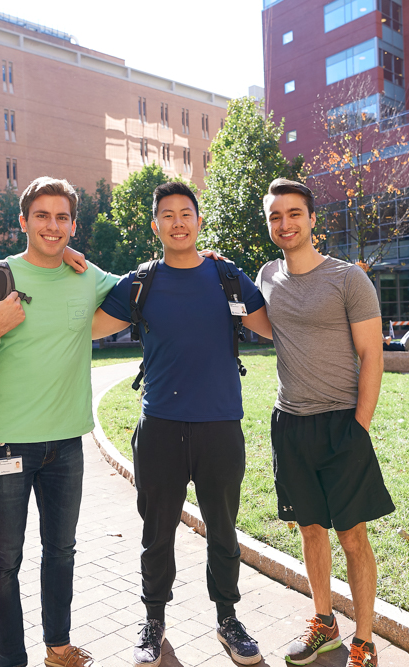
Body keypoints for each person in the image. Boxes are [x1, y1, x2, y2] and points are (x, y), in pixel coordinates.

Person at [91, 182, 271, 667]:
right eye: (166, 215)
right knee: (157, 534)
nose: (177, 221)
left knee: (224, 531)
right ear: (156, 226)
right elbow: (83, 326)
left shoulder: (227, 277)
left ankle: (229, 619)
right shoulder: (139, 283)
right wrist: (73, 268)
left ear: (198, 220)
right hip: (161, 430)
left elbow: (276, 325)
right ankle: (153, 621)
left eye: (185, 213)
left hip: (220, 427)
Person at [0, 177, 113, 667]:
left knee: (62, 551)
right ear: (23, 221)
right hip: (5, 444)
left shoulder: (87, 275)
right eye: (42, 216)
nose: (52, 226)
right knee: (3, 561)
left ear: (73, 225)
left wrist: (210, 259)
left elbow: (146, 286)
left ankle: (58, 647)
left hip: (67, 446)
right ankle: (11, 658)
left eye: (61, 218)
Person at [256, 179, 394, 667]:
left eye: (294, 213)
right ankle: (324, 623)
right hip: (290, 424)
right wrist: (213, 265)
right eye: (276, 216)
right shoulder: (267, 276)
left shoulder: (347, 279)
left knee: (352, 535)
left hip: (342, 425)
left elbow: (371, 357)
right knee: (310, 529)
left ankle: (363, 639)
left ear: (313, 220)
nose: (285, 223)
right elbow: (257, 320)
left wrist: (359, 425)